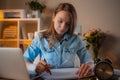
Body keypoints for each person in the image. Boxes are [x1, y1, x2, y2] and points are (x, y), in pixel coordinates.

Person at [23, 2, 94, 78]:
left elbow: (89, 61)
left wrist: (89, 66)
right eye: (60, 21)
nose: (63, 27)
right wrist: (35, 68)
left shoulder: (76, 39)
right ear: (53, 17)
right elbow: (24, 61)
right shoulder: (40, 38)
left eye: (68, 24)